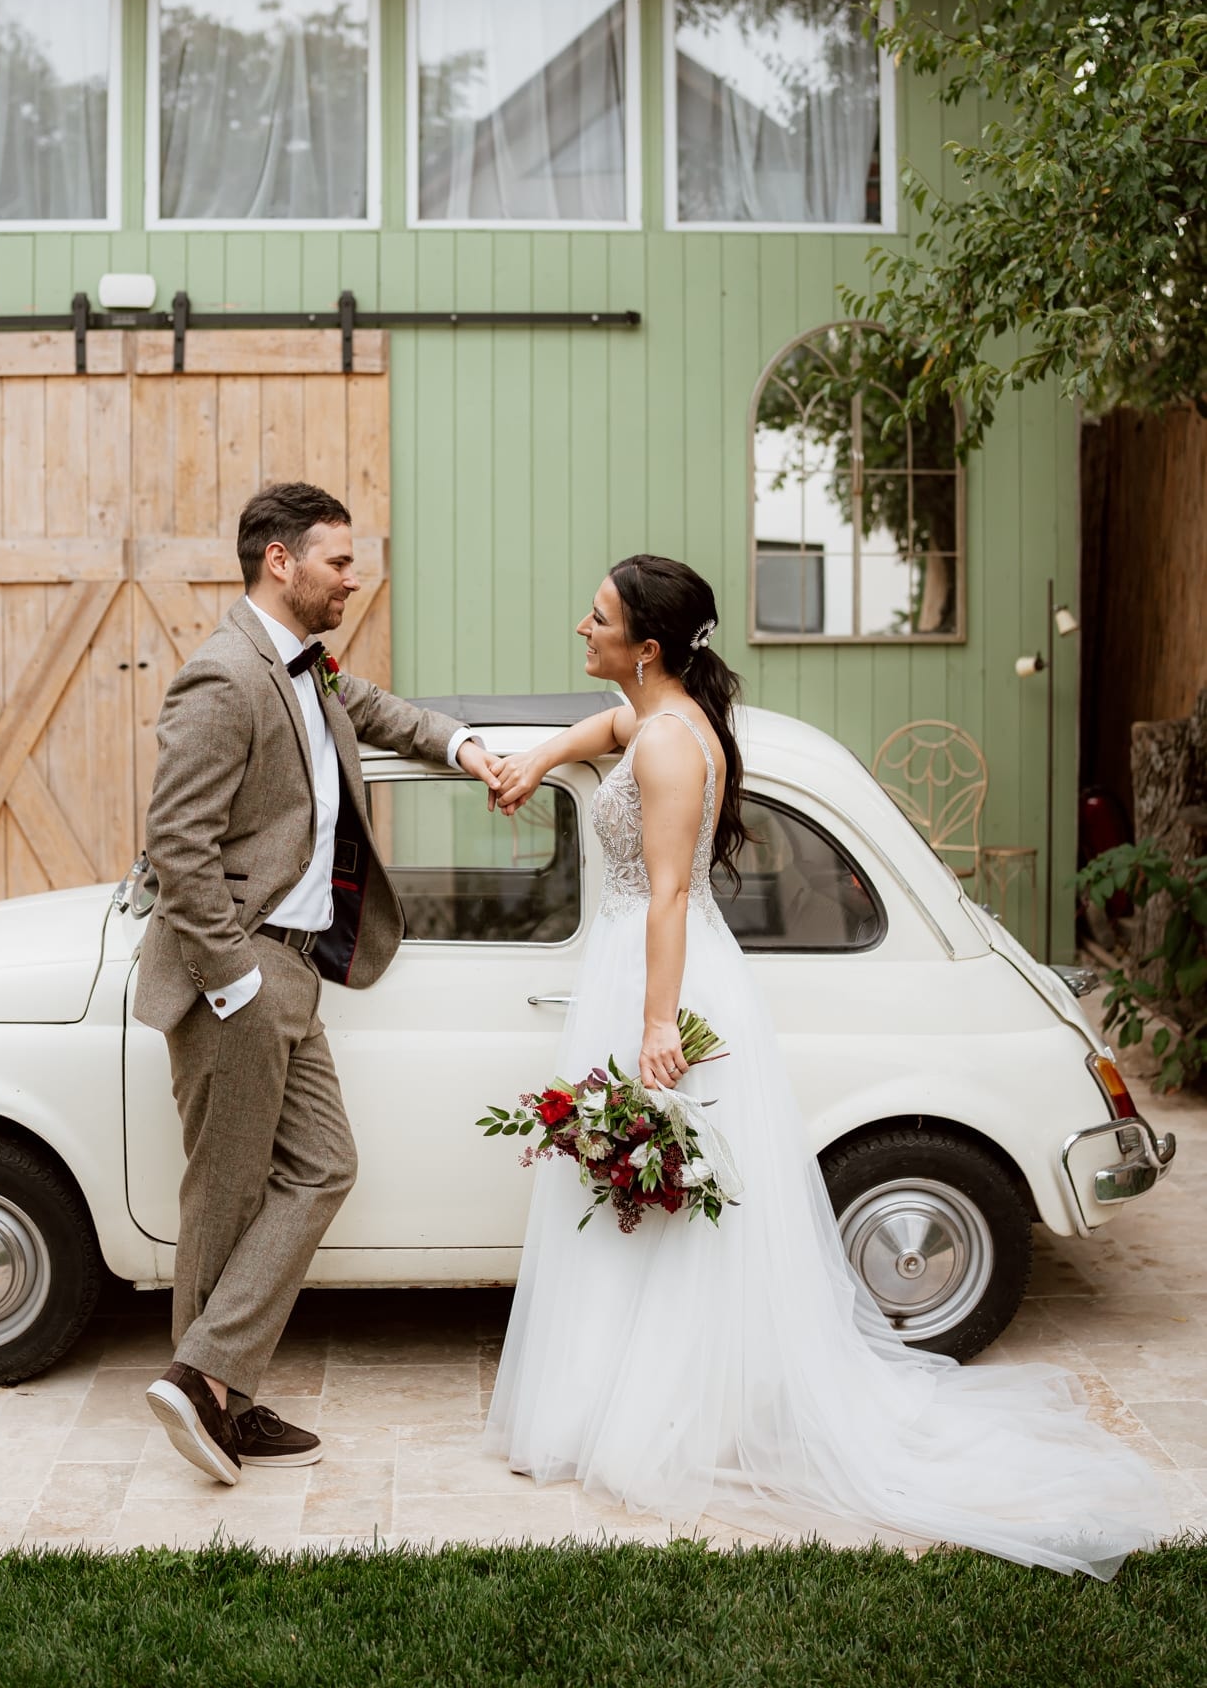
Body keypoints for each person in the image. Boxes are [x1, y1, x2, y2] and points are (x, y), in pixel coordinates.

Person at [482, 552, 1169, 1579]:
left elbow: (668, 893)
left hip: (659, 973)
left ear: (650, 647)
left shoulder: (674, 744)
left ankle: (665, 1419)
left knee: (665, 1197)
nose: (583, 627)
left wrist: (658, 1023)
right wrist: (539, 760)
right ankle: (619, 1400)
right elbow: (608, 730)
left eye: (599, 618)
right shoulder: (655, 717)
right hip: (644, 963)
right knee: (630, 1201)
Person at [134, 481, 500, 1486]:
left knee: (320, 1165)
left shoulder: (307, 666)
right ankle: (215, 1394)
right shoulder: (223, 677)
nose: (354, 575)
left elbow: (375, 710)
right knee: (226, 1188)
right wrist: (234, 979)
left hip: (296, 970)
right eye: (338, 560)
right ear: (280, 562)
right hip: (244, 970)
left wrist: (466, 747)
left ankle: (211, 1379)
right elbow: (179, 843)